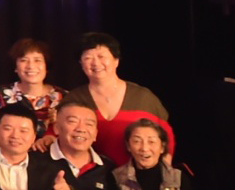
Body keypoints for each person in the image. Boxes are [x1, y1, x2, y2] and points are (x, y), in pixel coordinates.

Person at [69, 31, 173, 167]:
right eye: (88, 58)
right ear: (81, 64)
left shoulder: (143, 97)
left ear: (116, 61)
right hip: (91, 175)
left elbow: (166, 135)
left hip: (138, 175)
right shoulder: (74, 99)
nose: (96, 63)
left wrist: (163, 171)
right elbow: (58, 134)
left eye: (101, 56)